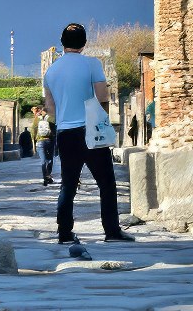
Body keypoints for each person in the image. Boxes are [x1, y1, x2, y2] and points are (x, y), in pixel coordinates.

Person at [44, 23, 134, 244]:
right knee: (106, 183)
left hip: (65, 133)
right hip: (90, 131)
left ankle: (64, 233)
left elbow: (50, 108)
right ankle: (111, 231)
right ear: (84, 44)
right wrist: (100, 119)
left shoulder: (51, 71)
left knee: (68, 184)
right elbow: (103, 97)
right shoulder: (92, 64)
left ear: (62, 42)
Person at [33, 104, 57, 187]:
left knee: (43, 161)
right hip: (49, 141)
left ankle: (45, 178)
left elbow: (33, 131)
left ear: (40, 111)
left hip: (40, 141)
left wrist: (34, 142)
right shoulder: (51, 119)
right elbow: (55, 130)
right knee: (50, 159)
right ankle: (48, 175)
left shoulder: (37, 119)